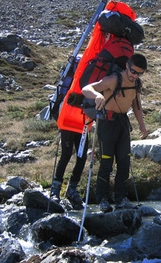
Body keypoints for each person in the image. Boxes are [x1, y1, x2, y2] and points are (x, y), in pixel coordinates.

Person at [81, 53, 148, 212]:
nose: (135, 76)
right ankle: (103, 199)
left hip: (123, 124)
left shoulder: (136, 84)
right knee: (106, 162)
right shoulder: (113, 79)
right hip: (107, 124)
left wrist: (142, 125)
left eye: (139, 73)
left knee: (124, 162)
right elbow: (86, 89)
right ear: (127, 66)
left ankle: (121, 199)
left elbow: (137, 105)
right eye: (133, 71)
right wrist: (97, 95)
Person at [50, 129, 87, 210]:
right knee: (65, 156)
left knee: (82, 158)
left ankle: (71, 188)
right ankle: (55, 189)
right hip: (67, 127)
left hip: (83, 128)